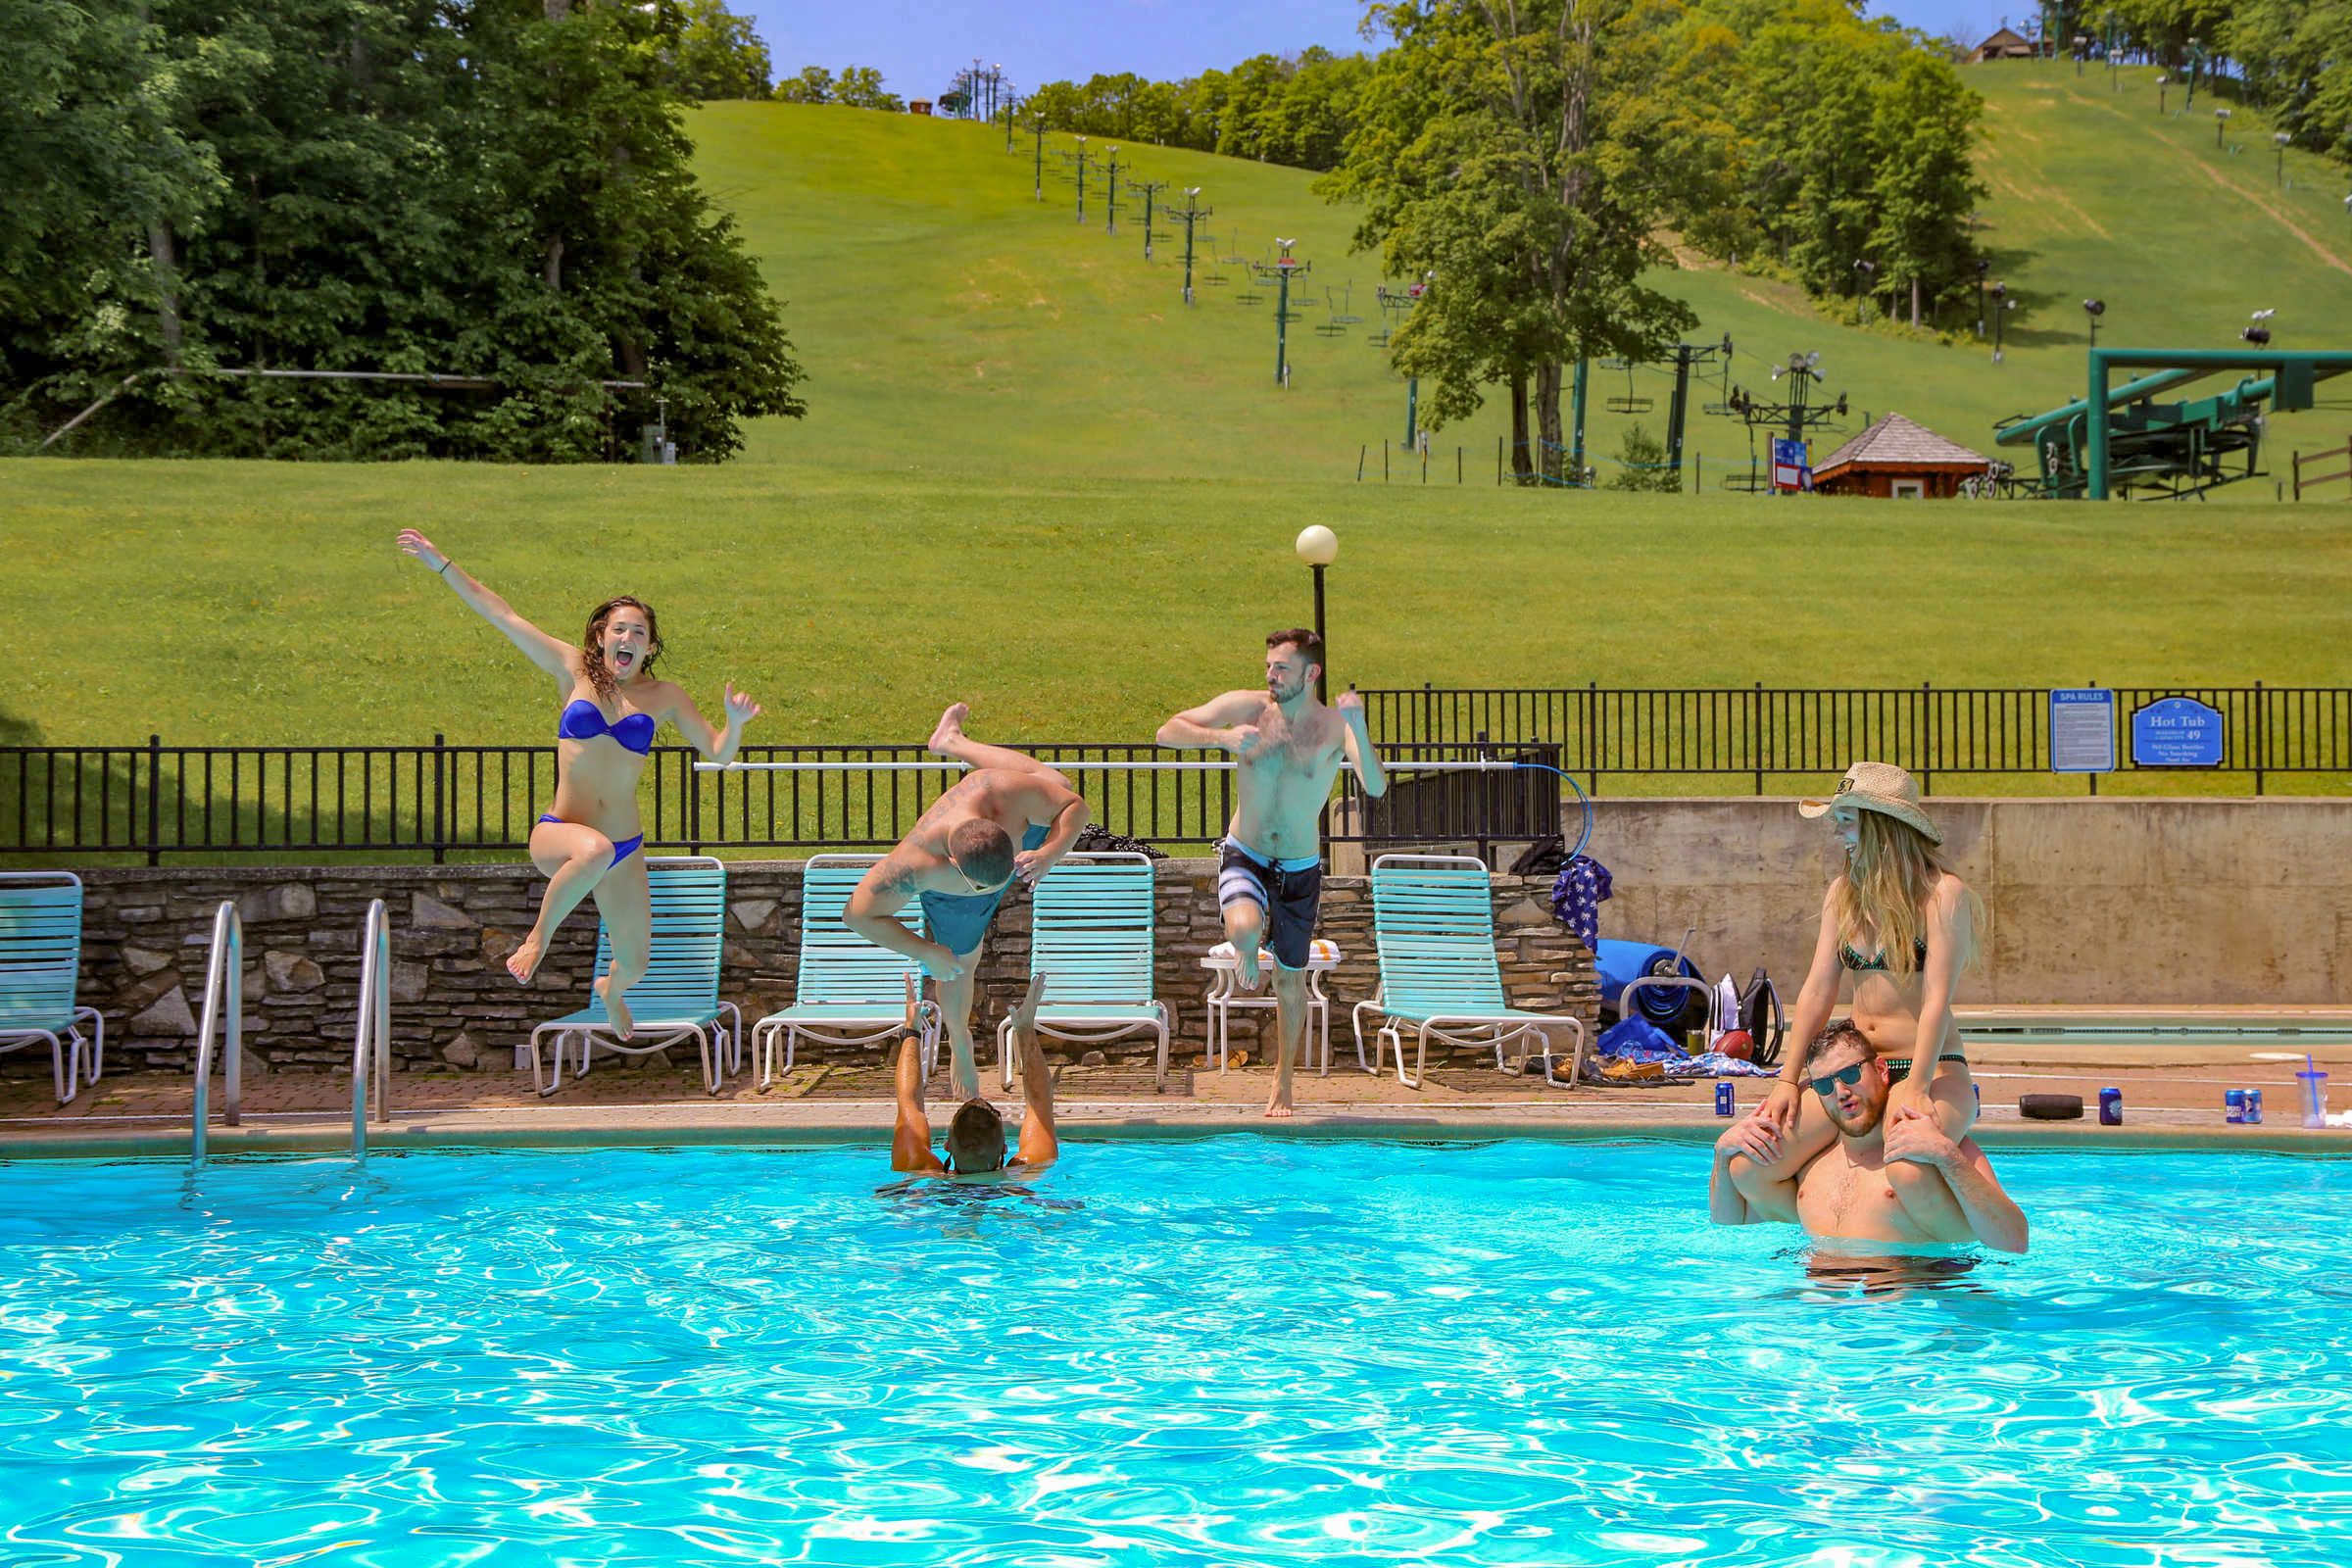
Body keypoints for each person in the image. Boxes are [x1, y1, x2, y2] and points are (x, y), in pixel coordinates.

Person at [397, 529, 760, 1039]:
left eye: (638, 633)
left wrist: (734, 722)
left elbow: (718, 754)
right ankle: (536, 942)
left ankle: (610, 991)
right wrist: (440, 563)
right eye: (619, 630)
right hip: (561, 833)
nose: (627, 640)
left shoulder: (665, 696)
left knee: (636, 962)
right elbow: (501, 614)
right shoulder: (572, 672)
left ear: (650, 646)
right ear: (599, 637)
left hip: (625, 847)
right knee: (591, 850)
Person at [1730, 760, 1987, 1218]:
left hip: (1933, 1069)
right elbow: (1816, 992)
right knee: (1752, 1165)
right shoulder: (1843, 893)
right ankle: (1831, 1238)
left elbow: (1936, 1001)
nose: (1837, 832)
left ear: (1881, 824)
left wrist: (1917, 1086)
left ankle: (1943, 1264)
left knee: (1906, 1170)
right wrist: (1787, 1080)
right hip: (1855, 1071)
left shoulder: (1943, 895)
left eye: (1845, 820)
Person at [1156, 629, 1388, 1117]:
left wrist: (1359, 727)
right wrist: (1218, 737)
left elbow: (1375, 785)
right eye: (1268, 665)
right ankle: (1245, 944)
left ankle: (1282, 1083)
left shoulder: (1332, 727)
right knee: (1242, 926)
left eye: (1281, 668)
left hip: (1300, 869)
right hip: (1247, 851)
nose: (1270, 675)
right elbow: (1167, 731)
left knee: (1289, 981)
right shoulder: (1247, 708)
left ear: (1311, 673)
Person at [846, 704, 1088, 1100]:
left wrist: (1049, 853)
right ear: (953, 862)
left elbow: (1074, 805)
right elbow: (857, 914)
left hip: (1003, 841)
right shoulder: (916, 864)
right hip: (952, 899)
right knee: (958, 964)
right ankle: (960, 1042)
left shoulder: (1005, 795)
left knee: (1054, 781)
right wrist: (925, 950)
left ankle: (952, 741)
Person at [1711, 1019, 2028, 1253]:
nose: (1841, 1092)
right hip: (1815, 1316)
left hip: (1912, 1309)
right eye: (1824, 1086)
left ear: (1881, 1070)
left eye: (1850, 1075)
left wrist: (1947, 1156)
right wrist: (1722, 1153)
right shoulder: (1809, 1167)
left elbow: (2014, 1240)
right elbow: (1729, 1222)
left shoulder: (1932, 1150)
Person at [891, 973, 1059, 1179]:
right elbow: (1040, 1103)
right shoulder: (1027, 1171)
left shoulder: (918, 1166)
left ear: (947, 1145)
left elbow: (909, 1103)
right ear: (1005, 1148)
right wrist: (1025, 1030)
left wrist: (912, 1029)